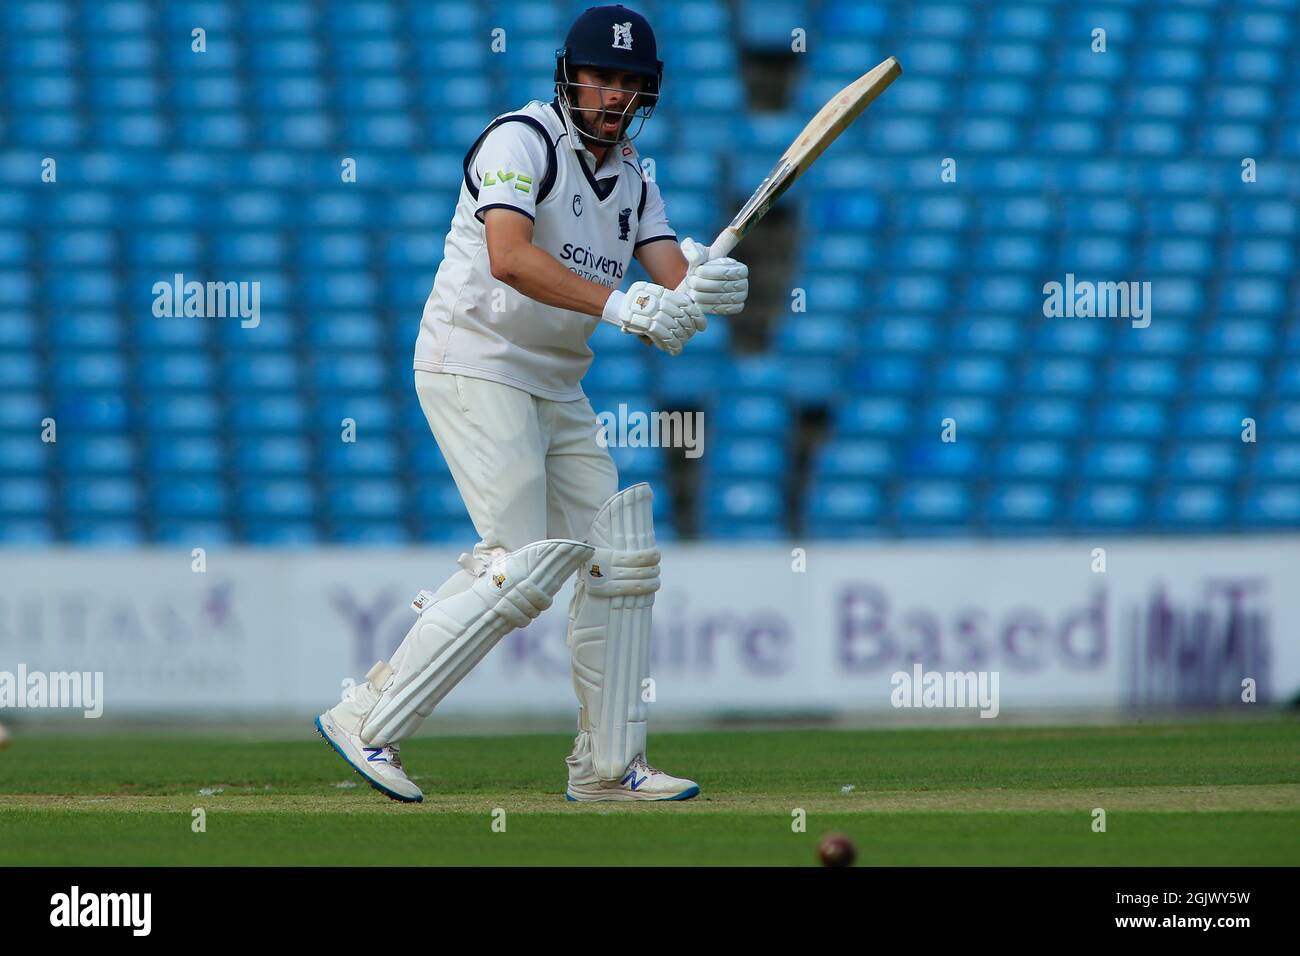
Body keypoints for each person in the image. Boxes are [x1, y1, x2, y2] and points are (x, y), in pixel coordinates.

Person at [316, 4, 749, 803]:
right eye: (600, 77)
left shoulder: (634, 178)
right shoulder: (520, 140)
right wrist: (627, 308)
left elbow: (672, 283)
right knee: (515, 565)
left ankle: (608, 767)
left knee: (618, 557)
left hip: (554, 380)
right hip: (473, 360)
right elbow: (510, 258)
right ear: (569, 77)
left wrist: (711, 286)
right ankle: (367, 716)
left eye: (629, 83)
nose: (612, 95)